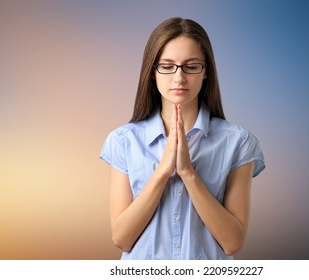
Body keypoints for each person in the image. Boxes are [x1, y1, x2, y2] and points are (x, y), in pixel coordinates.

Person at [100, 17, 265, 260]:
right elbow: (121, 238)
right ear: (152, 72)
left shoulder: (238, 142)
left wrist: (188, 171)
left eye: (191, 66)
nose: (179, 77)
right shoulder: (123, 141)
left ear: (206, 71)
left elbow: (232, 242)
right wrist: (162, 172)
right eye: (167, 66)